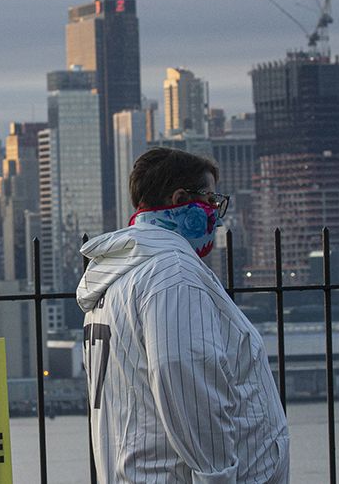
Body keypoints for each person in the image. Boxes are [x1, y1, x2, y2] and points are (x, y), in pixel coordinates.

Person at [78, 147, 289, 482]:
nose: (217, 217)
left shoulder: (115, 281)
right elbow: (186, 378)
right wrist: (218, 477)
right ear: (180, 198)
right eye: (211, 201)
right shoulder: (173, 273)